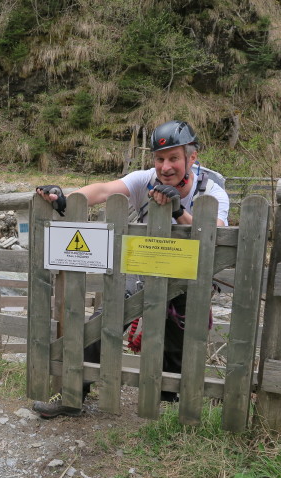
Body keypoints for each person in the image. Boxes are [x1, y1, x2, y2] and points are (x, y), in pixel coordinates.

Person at [32, 120, 230, 418]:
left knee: (177, 342)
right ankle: (72, 395)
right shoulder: (144, 179)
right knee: (102, 323)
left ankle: (168, 406)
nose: (165, 167)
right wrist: (66, 198)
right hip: (142, 269)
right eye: (159, 159)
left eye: (174, 158)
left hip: (188, 276)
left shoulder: (211, 190)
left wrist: (179, 211)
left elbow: (216, 231)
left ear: (192, 158)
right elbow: (104, 190)